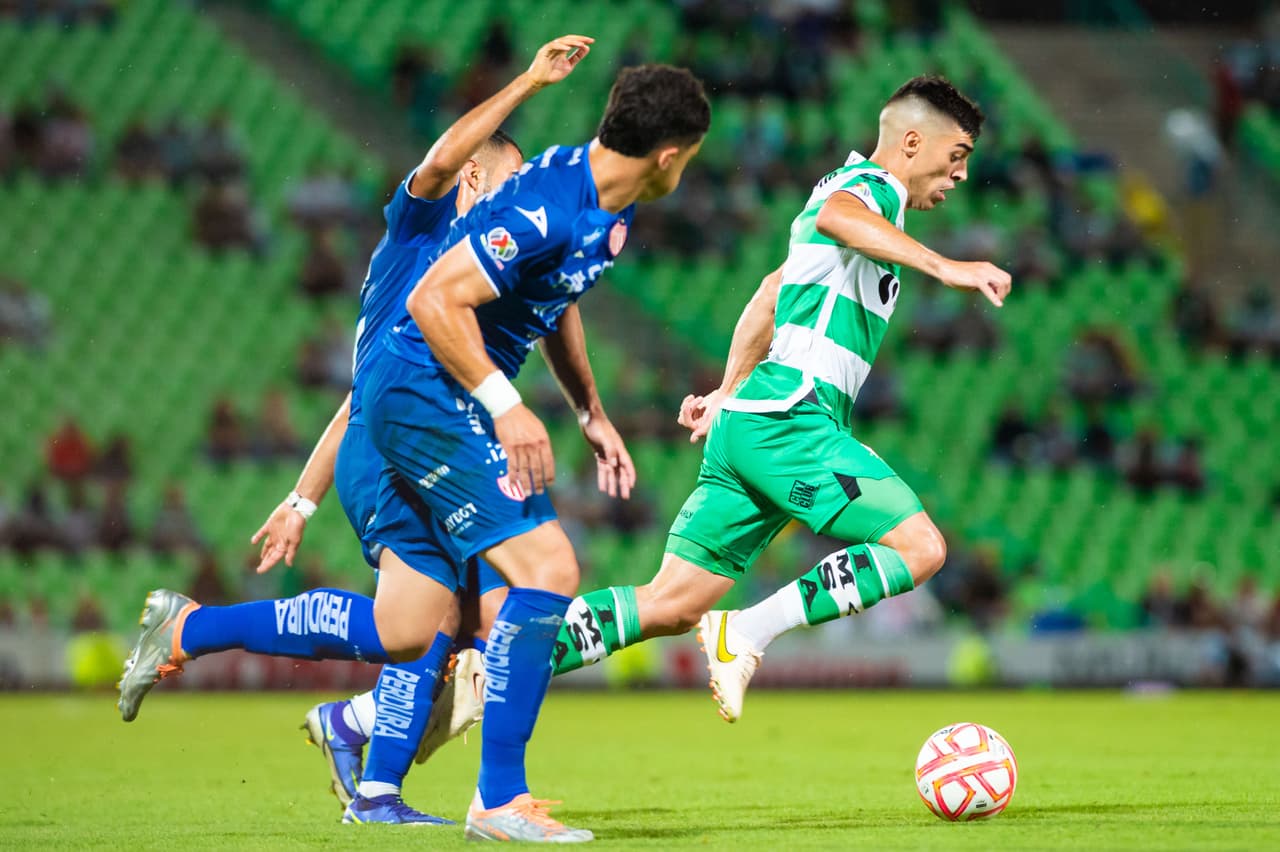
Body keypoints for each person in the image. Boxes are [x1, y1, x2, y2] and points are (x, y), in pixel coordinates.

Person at [116, 35, 595, 831]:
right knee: (466, 610)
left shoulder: (486, 270)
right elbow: (441, 161)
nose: (523, 212)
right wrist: (528, 82)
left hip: (405, 433)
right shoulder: (424, 229)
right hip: (392, 447)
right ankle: (435, 769)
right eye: (509, 187)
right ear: (478, 174)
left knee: (433, 626)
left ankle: (367, 776)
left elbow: (360, 394)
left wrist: (299, 504)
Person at [542, 75, 1010, 723]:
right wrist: (950, 267)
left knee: (673, 602)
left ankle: (497, 664)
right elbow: (838, 219)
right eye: (956, 156)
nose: (961, 175)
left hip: (753, 419)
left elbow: (769, 293)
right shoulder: (870, 191)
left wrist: (724, 394)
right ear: (911, 142)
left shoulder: (847, 196)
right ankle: (747, 634)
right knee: (921, 548)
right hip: (793, 418)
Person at [358, 61, 708, 842]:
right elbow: (431, 298)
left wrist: (590, 410)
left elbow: (554, 303)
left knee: (452, 618)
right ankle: (498, 801)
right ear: (670, 156)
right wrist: (508, 404)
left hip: (445, 393)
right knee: (548, 568)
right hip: (420, 385)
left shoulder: (605, 210)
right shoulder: (551, 203)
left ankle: (363, 734)